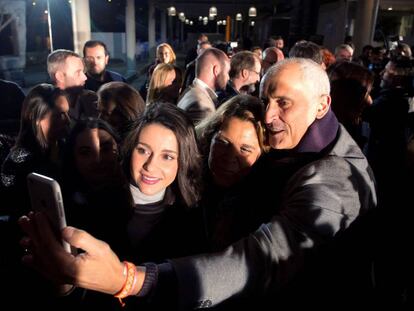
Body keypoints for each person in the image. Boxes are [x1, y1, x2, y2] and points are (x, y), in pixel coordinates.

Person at [19, 58, 377, 309]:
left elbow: (261, 258)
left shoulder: (335, 177)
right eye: (267, 100)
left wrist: (128, 280)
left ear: (321, 105)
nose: (269, 116)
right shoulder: (102, 203)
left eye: (283, 103)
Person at [196, 95, 267, 250]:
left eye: (245, 149)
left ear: (262, 154)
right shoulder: (184, 183)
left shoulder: (262, 213)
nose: (229, 158)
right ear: (210, 137)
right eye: (223, 143)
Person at [1, 84, 70, 219]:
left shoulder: (66, 146)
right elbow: (8, 201)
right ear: (37, 117)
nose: (67, 120)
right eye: (59, 115)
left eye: (68, 113)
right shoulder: (17, 160)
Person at [178, 47, 230, 124]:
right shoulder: (201, 107)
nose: (228, 77)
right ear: (216, 70)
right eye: (227, 72)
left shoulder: (190, 91)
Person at [47, 49, 99, 120]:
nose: (85, 77)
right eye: (77, 72)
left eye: (83, 72)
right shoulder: (45, 107)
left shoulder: (91, 99)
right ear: (60, 76)